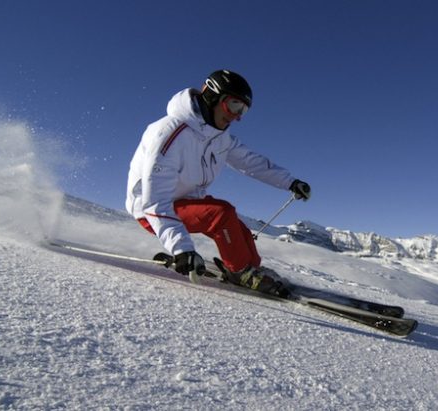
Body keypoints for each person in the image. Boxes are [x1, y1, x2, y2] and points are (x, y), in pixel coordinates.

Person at [126, 69, 311, 295]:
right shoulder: (170, 133)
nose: (237, 115)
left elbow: (251, 162)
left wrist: (290, 182)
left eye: (243, 110)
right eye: (234, 105)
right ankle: (240, 271)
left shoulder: (219, 138)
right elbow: (154, 201)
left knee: (237, 227)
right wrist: (181, 248)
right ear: (212, 96)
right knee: (221, 214)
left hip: (186, 202)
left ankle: (250, 266)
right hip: (152, 210)